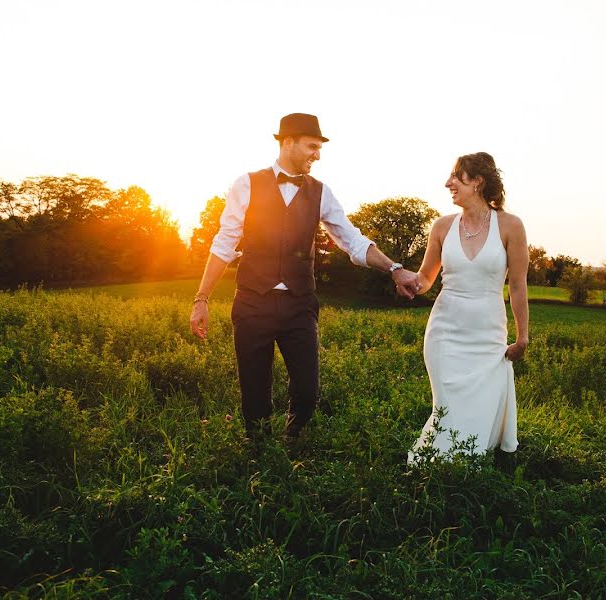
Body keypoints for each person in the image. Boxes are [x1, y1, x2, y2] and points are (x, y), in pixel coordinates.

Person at [190, 113, 420, 441]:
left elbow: (351, 240)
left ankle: (292, 440)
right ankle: (258, 459)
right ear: (287, 143)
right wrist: (202, 298)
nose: (318, 154)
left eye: (319, 147)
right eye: (312, 146)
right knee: (254, 392)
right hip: (252, 302)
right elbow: (225, 243)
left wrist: (395, 269)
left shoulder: (321, 192)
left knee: (308, 391)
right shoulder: (247, 184)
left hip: (299, 306)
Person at [407, 152, 528, 462]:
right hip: (444, 333)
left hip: (487, 335)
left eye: (456, 177)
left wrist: (522, 335)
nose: (448, 183)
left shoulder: (511, 226)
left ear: (477, 182)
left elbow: (517, 285)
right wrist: (407, 280)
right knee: (446, 407)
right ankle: (436, 469)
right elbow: (425, 279)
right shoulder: (442, 227)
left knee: (478, 408)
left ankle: (468, 468)